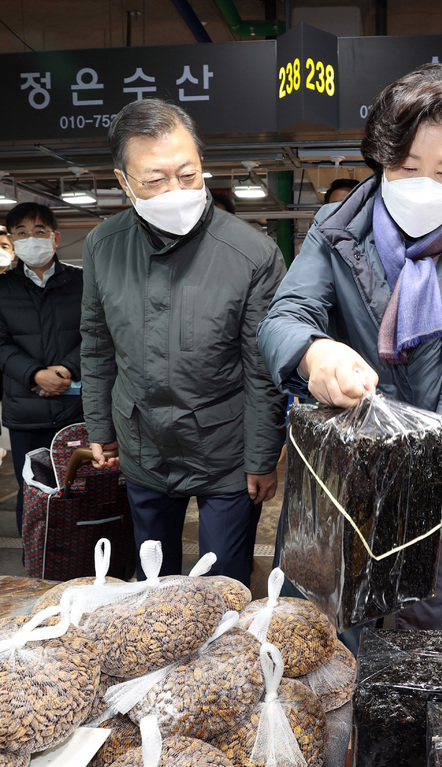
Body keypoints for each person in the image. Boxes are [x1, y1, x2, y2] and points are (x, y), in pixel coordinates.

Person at [258, 63, 442, 632]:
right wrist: (315, 354)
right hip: (343, 459)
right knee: (323, 626)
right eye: (407, 166)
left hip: (439, 465)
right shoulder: (336, 228)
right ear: (381, 158)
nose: (424, 185)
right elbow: (284, 317)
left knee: (427, 626)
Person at [81, 98, 288, 585]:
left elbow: (262, 369)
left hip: (225, 451)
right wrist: (99, 426)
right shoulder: (103, 246)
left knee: (223, 584)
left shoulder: (251, 253)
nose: (175, 190)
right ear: (123, 182)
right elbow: (96, 343)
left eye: (188, 174)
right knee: (152, 581)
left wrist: (261, 457)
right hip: (141, 442)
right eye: (155, 180)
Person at [0, 203, 83, 535]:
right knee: (33, 492)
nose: (30, 239)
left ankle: (85, 564)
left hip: (77, 409)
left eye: (39, 232)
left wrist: (66, 370)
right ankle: (37, 565)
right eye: (21, 232)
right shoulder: (2, 289)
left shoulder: (83, 283)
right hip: (26, 411)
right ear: (11, 240)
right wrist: (35, 374)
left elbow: (98, 333)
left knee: (82, 488)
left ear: (56, 238)